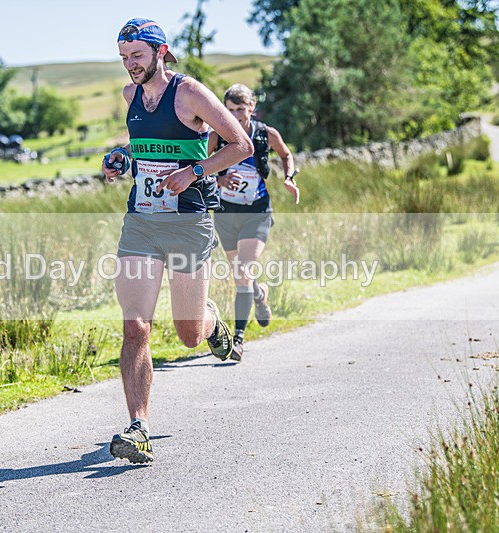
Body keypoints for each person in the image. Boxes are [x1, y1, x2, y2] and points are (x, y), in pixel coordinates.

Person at [101, 18, 254, 464]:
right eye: (124, 58)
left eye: (137, 56)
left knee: (188, 336)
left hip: (188, 222)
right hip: (142, 222)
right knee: (135, 325)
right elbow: (142, 144)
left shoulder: (188, 93)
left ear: (160, 51)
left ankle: (210, 321)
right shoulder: (131, 96)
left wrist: (195, 171)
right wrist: (119, 158)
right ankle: (138, 426)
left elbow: (240, 145)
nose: (130, 66)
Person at [209, 83, 297, 361]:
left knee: (242, 271)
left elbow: (285, 154)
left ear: (252, 109)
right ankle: (259, 293)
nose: (235, 116)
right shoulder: (217, 136)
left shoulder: (265, 134)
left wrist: (289, 177)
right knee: (242, 273)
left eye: (241, 110)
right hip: (225, 212)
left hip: (257, 212)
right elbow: (201, 166)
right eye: (230, 110)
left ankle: (238, 339)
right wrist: (219, 178)